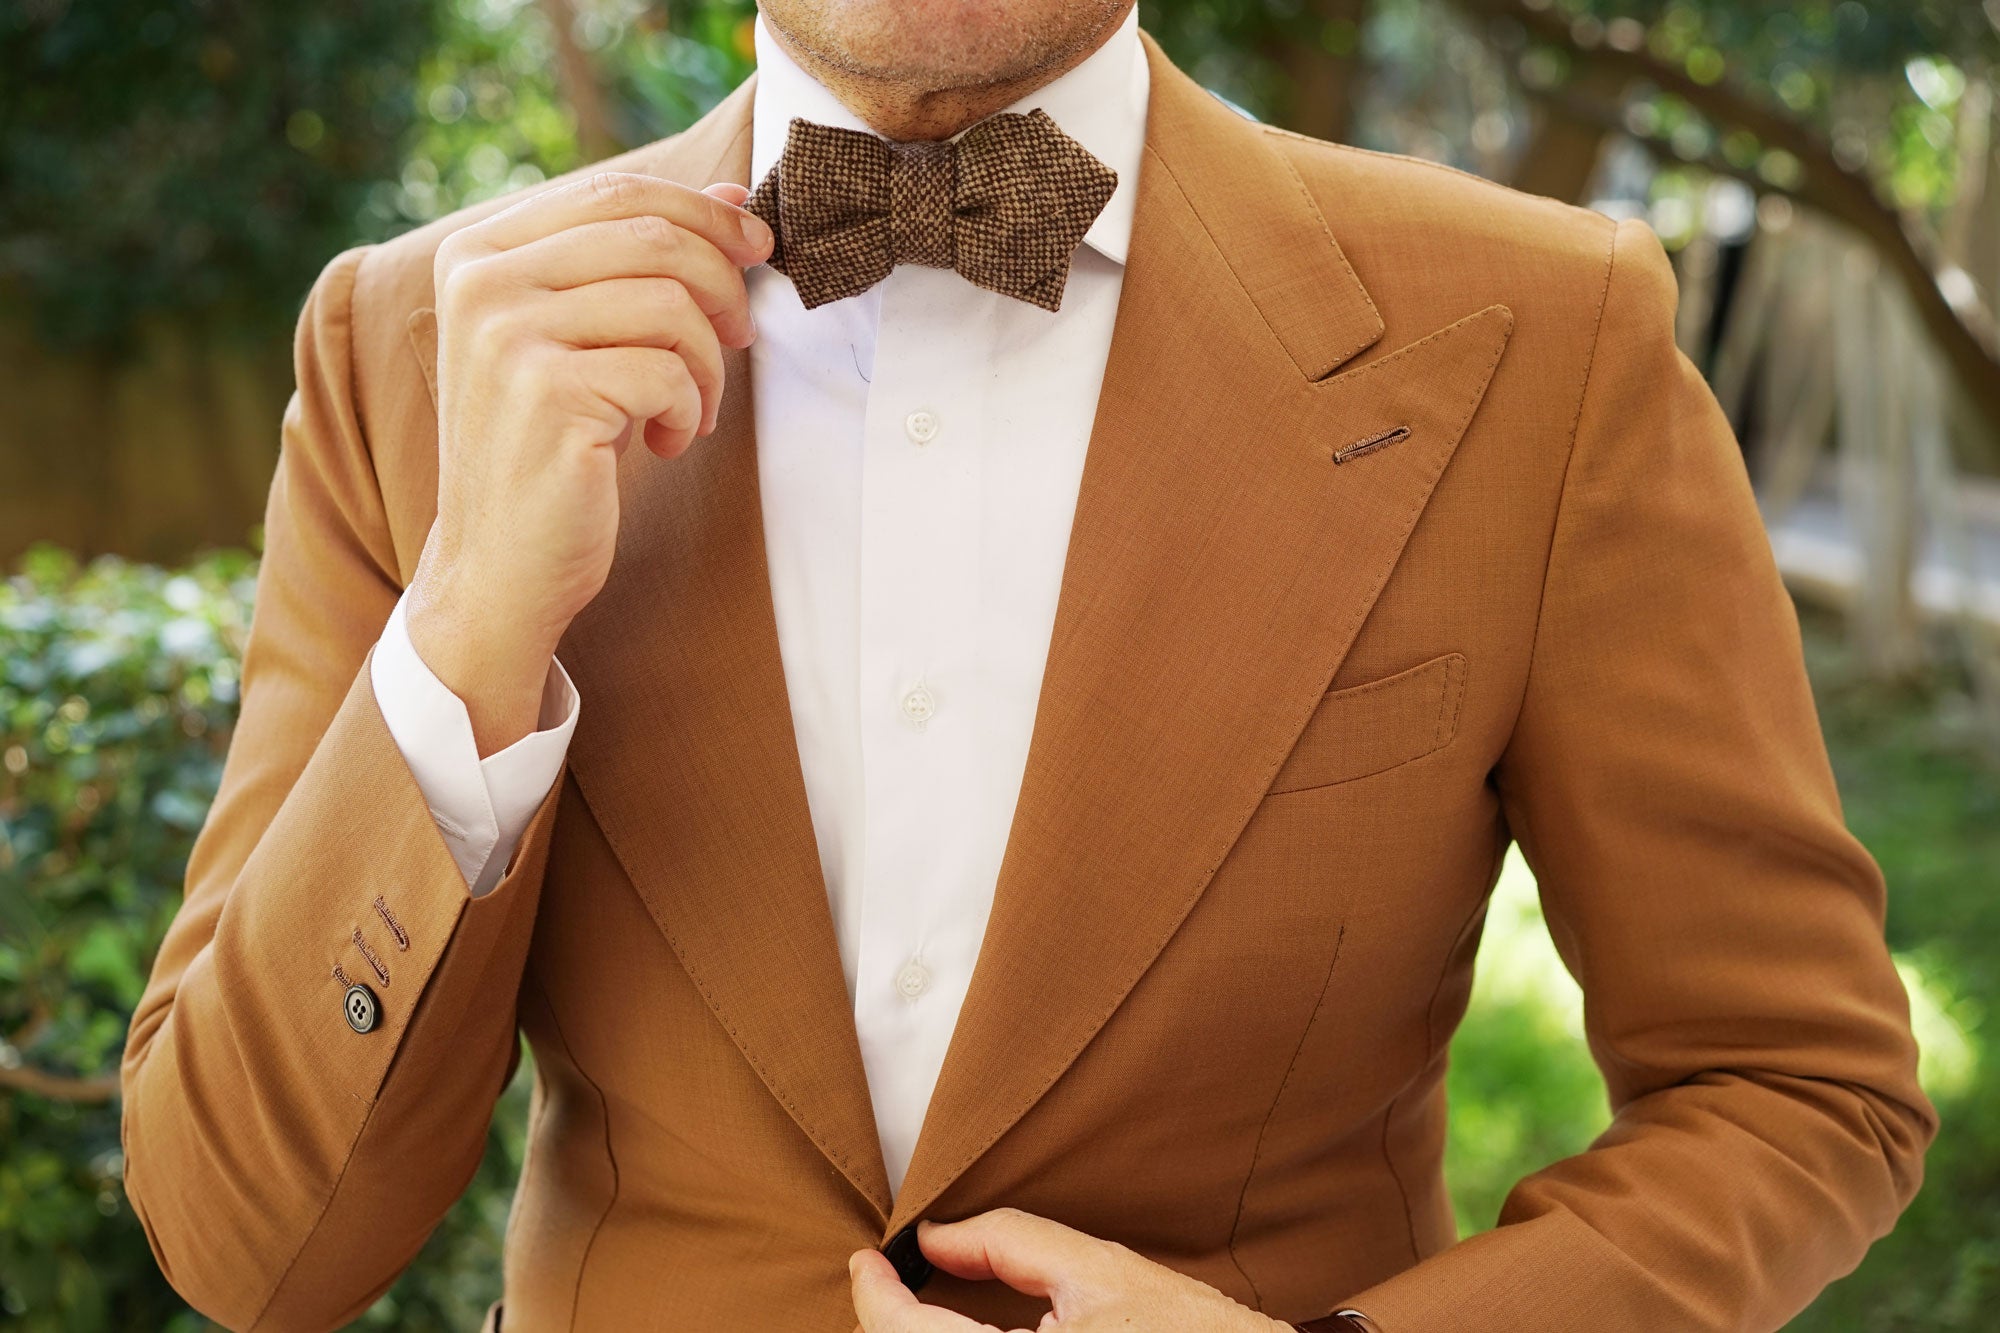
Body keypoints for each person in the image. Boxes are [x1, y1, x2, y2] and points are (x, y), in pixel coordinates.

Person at [119, 1, 1936, 1329]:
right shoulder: (409, 347)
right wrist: (468, 628)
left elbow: (1794, 1086)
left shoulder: (1543, 339)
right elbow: (247, 1242)